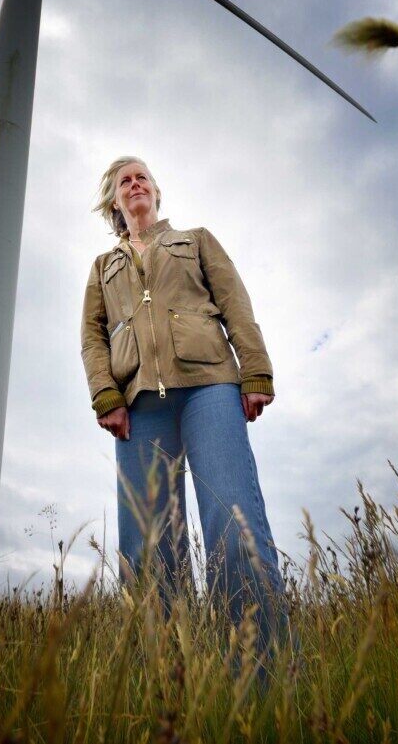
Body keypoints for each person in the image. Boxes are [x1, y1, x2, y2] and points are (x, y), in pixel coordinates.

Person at [79, 156, 285, 653]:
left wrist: (255, 368)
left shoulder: (195, 240)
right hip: (138, 405)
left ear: (155, 191)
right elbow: (92, 336)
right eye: (124, 180)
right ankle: (168, 688)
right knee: (150, 551)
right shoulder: (103, 267)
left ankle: (262, 681)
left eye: (142, 176)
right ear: (114, 200)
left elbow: (236, 301)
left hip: (208, 385)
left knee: (234, 528)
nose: (135, 184)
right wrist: (105, 394)